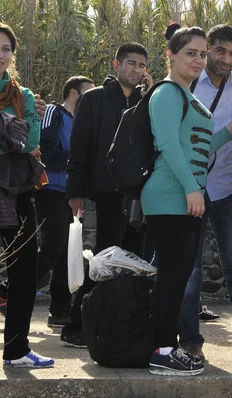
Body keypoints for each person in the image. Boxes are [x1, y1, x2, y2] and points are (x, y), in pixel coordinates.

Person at [143, 24, 232, 376]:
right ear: (171, 55)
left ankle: (167, 346)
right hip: (169, 196)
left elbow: (198, 146)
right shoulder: (167, 93)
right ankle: (162, 350)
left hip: (184, 196)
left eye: (201, 53)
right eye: (189, 53)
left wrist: (229, 132)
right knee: (171, 276)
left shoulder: (187, 95)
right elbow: (168, 145)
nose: (197, 60)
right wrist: (192, 189)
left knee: (177, 276)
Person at [0, 22, 54, 373]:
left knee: (24, 270)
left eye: (5, 48)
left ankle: (17, 348)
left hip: (19, 190)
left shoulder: (25, 95)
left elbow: (31, 140)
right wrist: (9, 133)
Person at [64, 42, 153, 348]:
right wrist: (75, 192)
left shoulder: (148, 100)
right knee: (104, 256)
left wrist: (152, 95)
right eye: (131, 63)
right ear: (116, 65)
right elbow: (79, 146)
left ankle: (123, 321)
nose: (137, 70)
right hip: (107, 190)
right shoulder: (95, 98)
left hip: (140, 193)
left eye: (142, 65)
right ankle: (77, 322)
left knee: (135, 259)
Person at [178, 24, 232, 361]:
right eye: (220, 51)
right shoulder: (187, 83)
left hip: (228, 188)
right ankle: (190, 340)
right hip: (189, 189)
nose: (226, 59)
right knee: (189, 269)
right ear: (207, 49)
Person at [36, 76, 94, 328]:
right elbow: (46, 154)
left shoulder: (82, 122)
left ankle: (59, 311)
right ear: (73, 93)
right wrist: (79, 155)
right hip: (50, 189)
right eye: (87, 94)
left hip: (72, 194)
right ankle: (10, 287)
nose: (92, 100)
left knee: (64, 253)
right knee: (54, 246)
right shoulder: (53, 112)